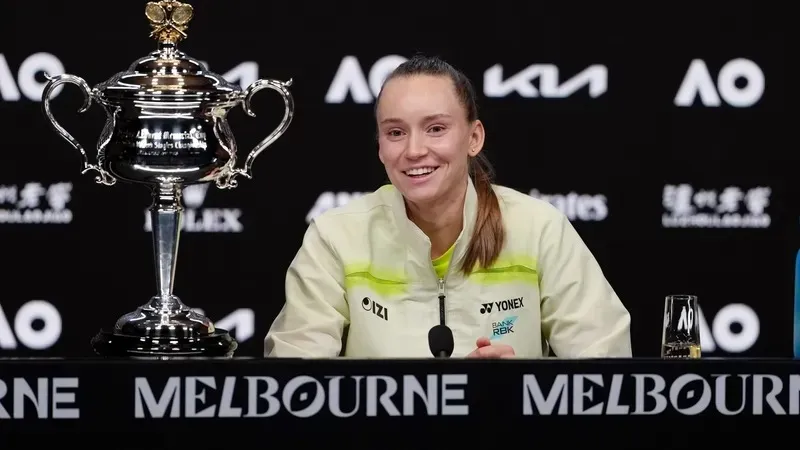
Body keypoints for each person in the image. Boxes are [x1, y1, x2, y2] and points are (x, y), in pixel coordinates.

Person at [265, 55, 632, 359]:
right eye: (395, 132)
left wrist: (520, 393)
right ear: (380, 147)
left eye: (436, 128)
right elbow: (296, 385)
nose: (413, 150)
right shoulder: (335, 237)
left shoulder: (540, 230)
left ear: (473, 138)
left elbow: (606, 376)